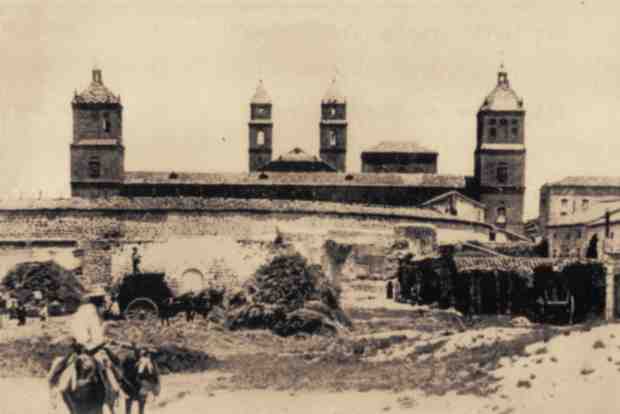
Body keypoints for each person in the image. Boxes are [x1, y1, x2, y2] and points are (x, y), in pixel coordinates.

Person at [48, 292, 123, 407]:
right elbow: (95, 336)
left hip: (80, 348)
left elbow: (75, 331)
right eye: (102, 300)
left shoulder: (82, 312)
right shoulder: (93, 313)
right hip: (91, 349)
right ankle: (115, 394)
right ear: (99, 300)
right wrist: (100, 342)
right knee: (109, 366)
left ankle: (56, 394)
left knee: (59, 367)